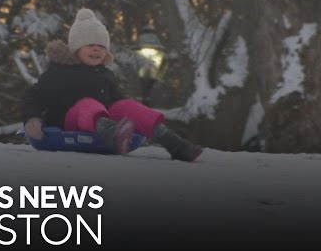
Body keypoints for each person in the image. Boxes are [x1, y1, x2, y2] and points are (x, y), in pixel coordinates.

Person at [21, 8, 203, 162]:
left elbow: (117, 103)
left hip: (103, 122)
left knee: (127, 105)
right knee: (88, 104)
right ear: (75, 49)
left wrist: (131, 113)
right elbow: (34, 97)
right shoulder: (59, 72)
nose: (96, 49)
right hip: (68, 124)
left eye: (101, 46)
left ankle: (171, 141)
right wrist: (32, 119)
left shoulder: (105, 75)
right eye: (90, 44)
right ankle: (113, 133)